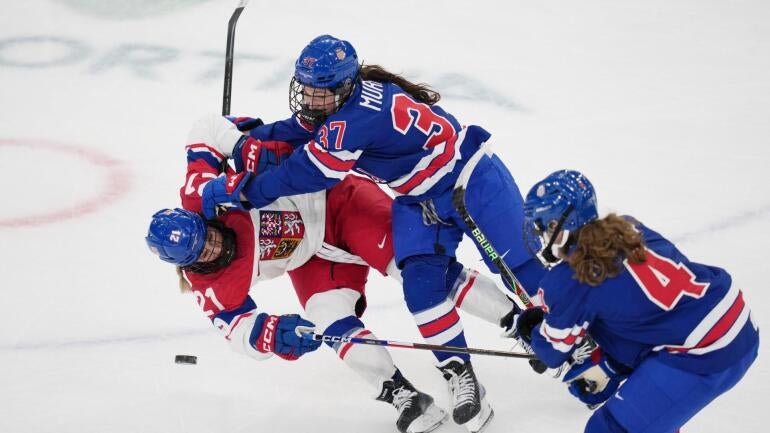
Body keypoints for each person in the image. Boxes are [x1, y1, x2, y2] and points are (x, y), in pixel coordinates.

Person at [195, 34, 547, 432]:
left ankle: (567, 336)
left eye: (319, 94)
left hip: (467, 178)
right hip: (417, 199)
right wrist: (244, 145)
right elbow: (291, 131)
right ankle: (458, 374)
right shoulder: (337, 108)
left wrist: (242, 189)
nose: (309, 101)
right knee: (421, 288)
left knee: (522, 269)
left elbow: (304, 173)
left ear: (344, 87)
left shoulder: (352, 121)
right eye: (305, 91)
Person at [145, 116, 520, 433]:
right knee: (326, 320)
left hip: (340, 200)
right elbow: (238, 332)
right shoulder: (210, 287)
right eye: (203, 254)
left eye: (207, 235)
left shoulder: (201, 196)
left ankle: (517, 324)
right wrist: (272, 335)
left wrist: (242, 147)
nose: (213, 245)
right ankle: (400, 392)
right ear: (189, 265)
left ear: (200, 220)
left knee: (420, 273)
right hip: (311, 258)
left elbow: (204, 128)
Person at [514, 169, 759, 433]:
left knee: (609, 429)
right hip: (733, 317)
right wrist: (610, 366)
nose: (539, 238)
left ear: (558, 227)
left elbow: (551, 351)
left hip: (705, 351)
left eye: (542, 227)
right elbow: (646, 313)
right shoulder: (627, 226)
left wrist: (532, 329)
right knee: (651, 422)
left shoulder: (571, 278)